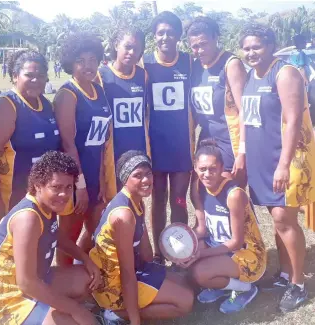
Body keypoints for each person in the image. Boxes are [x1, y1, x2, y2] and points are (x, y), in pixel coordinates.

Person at [0, 151, 102, 325]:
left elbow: (58, 238)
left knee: (87, 280)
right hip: (0, 299)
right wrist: (75, 309)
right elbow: (26, 283)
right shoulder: (28, 218)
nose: (63, 194)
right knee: (73, 320)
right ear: (38, 185)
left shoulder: (48, 206)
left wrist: (86, 260)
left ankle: (44, 311)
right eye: (56, 187)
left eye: (68, 187)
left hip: (34, 280)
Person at [240, 24, 315, 312]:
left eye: (256, 46)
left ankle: (298, 284)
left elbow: (294, 121)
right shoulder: (250, 76)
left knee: (284, 219)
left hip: (285, 159)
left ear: (270, 45)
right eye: (246, 48)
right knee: (276, 219)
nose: (251, 53)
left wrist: (283, 165)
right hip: (263, 157)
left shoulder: (284, 73)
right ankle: (284, 275)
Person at [0, 50, 60, 259]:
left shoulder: (45, 105)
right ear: (15, 75)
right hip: (2, 200)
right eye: (29, 75)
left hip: (30, 202)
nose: (36, 80)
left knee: (26, 260)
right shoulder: (5, 106)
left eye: (41, 75)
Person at [90, 150, 194, 325]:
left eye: (148, 174)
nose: (146, 180)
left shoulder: (136, 201)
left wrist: (159, 267)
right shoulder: (124, 215)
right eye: (137, 176)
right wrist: (135, 320)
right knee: (185, 302)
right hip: (112, 285)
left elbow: (146, 253)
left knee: (183, 281)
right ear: (125, 179)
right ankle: (113, 313)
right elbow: (126, 273)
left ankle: (123, 308)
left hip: (134, 269)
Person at [185, 139, 266, 313]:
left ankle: (246, 289)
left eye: (213, 169)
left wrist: (200, 254)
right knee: (188, 255)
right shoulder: (198, 187)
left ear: (222, 168)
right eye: (202, 169)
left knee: (199, 273)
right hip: (219, 246)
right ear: (195, 168)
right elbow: (202, 229)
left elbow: (236, 243)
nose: (207, 174)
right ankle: (221, 285)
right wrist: (182, 242)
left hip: (245, 253)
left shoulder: (234, 194)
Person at [53, 32, 112, 265]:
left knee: (96, 228)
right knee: (69, 233)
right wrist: (80, 185)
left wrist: (99, 179)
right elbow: (68, 144)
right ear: (71, 63)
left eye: (92, 59)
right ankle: (65, 284)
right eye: (81, 60)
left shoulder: (98, 91)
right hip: (74, 178)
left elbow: (98, 142)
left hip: (94, 174)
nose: (88, 65)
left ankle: (82, 272)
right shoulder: (68, 94)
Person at [142, 11, 193, 264]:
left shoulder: (189, 62)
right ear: (154, 36)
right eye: (160, 32)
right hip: (157, 146)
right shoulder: (146, 64)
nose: (165, 37)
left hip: (183, 146)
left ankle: (179, 251)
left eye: (170, 32)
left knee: (179, 201)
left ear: (178, 36)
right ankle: (158, 253)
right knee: (158, 200)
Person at [187, 17, 247, 186]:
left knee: (227, 193)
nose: (199, 50)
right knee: (197, 192)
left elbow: (245, 110)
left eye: (204, 43)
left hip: (229, 140)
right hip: (206, 139)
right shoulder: (195, 67)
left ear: (216, 38)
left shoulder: (230, 64)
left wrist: (242, 152)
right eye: (195, 46)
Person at [96, 27, 149, 194]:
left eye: (136, 48)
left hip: (137, 148)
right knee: (113, 198)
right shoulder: (101, 76)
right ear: (116, 45)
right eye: (127, 46)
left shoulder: (143, 75)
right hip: (111, 149)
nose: (131, 52)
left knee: (135, 196)